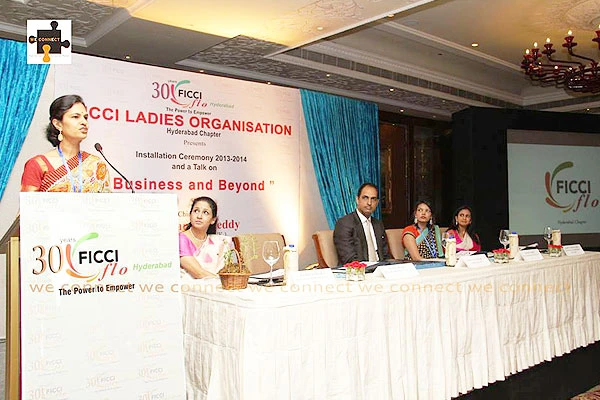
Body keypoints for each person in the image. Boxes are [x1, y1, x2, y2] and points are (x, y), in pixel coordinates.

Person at [20, 94, 111, 192]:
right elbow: (28, 202)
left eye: (85, 117)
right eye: (75, 117)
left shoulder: (97, 165)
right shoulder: (37, 165)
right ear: (58, 124)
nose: (84, 122)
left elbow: (106, 201)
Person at [333, 182, 390, 265]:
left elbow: (385, 255)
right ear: (357, 200)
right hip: (358, 271)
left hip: (380, 269)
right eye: (365, 198)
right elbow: (349, 258)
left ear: (377, 202)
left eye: (373, 199)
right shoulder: (344, 223)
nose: (369, 203)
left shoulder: (378, 224)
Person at [179, 196, 232, 279]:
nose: (199, 216)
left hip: (215, 285)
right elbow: (198, 273)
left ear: (213, 220)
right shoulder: (181, 239)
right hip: (187, 286)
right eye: (196, 211)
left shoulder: (218, 243)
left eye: (205, 212)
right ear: (190, 214)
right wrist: (222, 282)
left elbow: (224, 272)